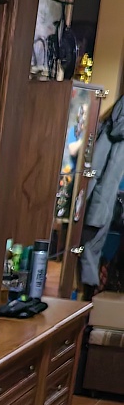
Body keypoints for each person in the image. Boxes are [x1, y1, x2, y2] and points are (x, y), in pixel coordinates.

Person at [80, 93, 124, 299]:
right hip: (104, 202)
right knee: (91, 250)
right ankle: (91, 295)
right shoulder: (115, 127)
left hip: (107, 202)